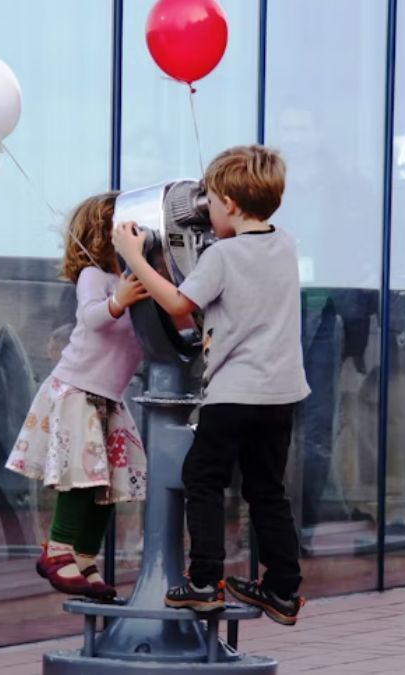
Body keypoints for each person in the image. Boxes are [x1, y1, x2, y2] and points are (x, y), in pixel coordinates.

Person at [112, 145, 310, 625]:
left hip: (235, 393)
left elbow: (180, 304)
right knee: (267, 490)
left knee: (204, 480)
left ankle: (204, 583)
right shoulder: (284, 242)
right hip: (281, 393)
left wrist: (134, 258)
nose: (206, 214)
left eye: (211, 205)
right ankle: (282, 589)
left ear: (232, 206)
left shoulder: (223, 255)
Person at [4, 192, 149, 601]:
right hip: (79, 391)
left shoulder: (137, 282)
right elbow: (90, 317)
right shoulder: (94, 277)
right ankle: (58, 549)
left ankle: (86, 555)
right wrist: (118, 300)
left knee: (110, 485)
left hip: (109, 399)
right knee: (83, 477)